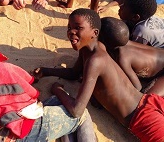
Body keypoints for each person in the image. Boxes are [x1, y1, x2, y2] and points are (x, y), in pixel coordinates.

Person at [0, 8, 96, 142]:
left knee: (60, 102)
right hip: (5, 135)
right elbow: (28, 100)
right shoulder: (1, 72)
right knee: (81, 115)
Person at [32, 8, 164, 142]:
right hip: (150, 102)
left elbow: (77, 110)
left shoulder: (95, 60)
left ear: (95, 33)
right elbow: (73, 73)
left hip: (142, 117)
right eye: (69, 27)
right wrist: (45, 71)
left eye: (78, 28)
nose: (71, 32)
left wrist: (57, 90)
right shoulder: (89, 48)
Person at [99, 17, 164, 95]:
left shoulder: (123, 58)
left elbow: (137, 87)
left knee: (145, 98)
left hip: (162, 71)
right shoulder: (124, 42)